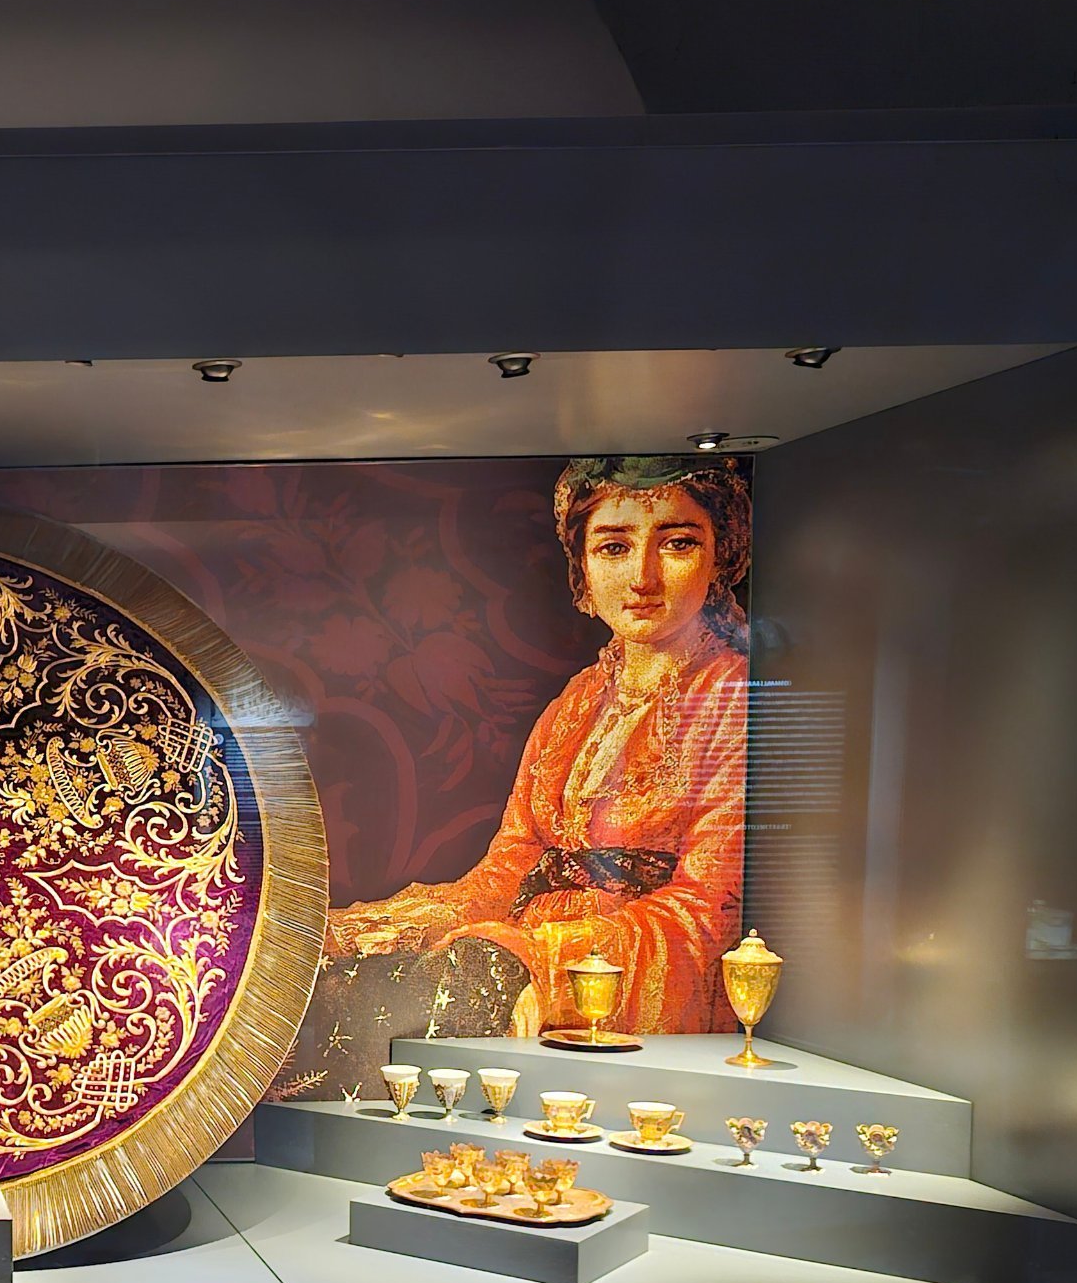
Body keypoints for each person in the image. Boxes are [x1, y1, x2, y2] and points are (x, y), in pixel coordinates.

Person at [284, 456, 748, 1092]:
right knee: (318, 967)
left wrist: (545, 966)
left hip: (638, 978)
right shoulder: (577, 703)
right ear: (583, 565)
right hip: (524, 949)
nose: (642, 576)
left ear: (721, 555)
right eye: (614, 547)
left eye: (677, 544)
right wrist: (385, 928)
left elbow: (711, 907)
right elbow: (508, 870)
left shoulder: (732, 697)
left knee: (444, 992)